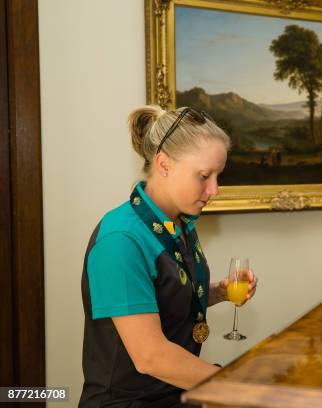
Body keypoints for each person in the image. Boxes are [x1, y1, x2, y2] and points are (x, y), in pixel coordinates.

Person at [79, 105, 257, 407]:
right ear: (164, 164)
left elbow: (163, 296)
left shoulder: (178, 221)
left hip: (176, 395)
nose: (214, 189)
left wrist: (218, 292)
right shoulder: (120, 241)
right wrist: (234, 385)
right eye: (204, 175)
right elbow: (151, 357)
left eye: (218, 176)